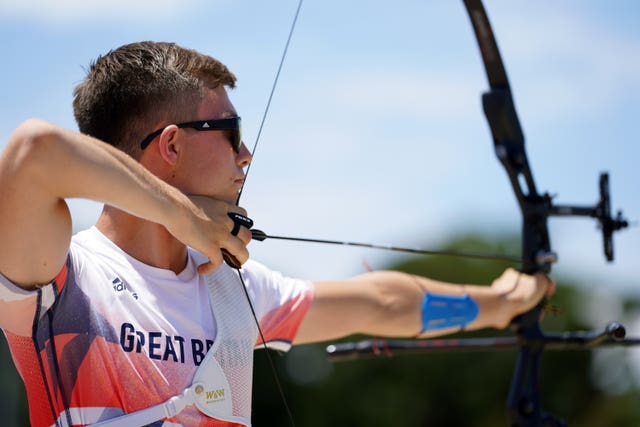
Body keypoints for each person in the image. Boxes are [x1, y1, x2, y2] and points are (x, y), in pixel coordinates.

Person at [0, 41, 552, 427]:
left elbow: (382, 304)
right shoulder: (61, 278)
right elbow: (34, 152)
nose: (247, 156)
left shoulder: (229, 287)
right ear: (170, 146)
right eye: (230, 133)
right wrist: (185, 217)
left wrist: (502, 301)